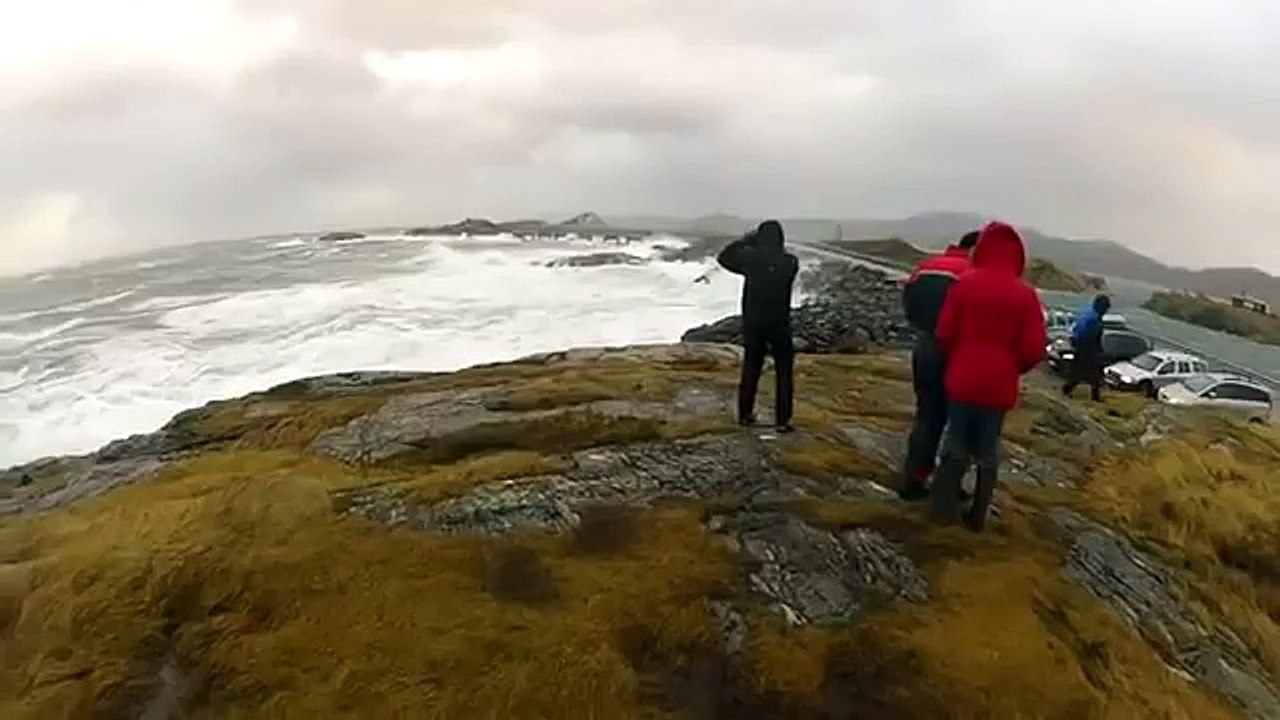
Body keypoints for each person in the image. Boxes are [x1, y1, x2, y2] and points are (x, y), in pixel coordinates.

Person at [930, 221, 1047, 532]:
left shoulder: (964, 284)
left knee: (954, 442)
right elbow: (1034, 349)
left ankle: (941, 510)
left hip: (963, 378)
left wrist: (958, 358)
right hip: (998, 385)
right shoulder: (1026, 296)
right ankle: (977, 517)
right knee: (987, 450)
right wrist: (1012, 368)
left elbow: (943, 333)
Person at [897, 230, 979, 501]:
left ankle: (914, 478)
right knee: (959, 422)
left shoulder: (926, 266)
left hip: (925, 346)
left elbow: (907, 301)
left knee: (927, 417)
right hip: (958, 351)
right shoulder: (972, 273)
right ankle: (948, 485)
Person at [717, 220, 800, 432]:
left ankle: (745, 415)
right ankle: (783, 420)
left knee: (751, 368)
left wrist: (748, 240)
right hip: (779, 322)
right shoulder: (790, 262)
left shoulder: (752, 260)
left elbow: (724, 257)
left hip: (754, 322)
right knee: (784, 372)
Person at [1062, 294, 1112, 402]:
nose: (1106, 311)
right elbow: (1091, 337)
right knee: (1093, 373)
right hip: (1087, 348)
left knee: (1080, 371)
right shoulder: (1094, 319)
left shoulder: (1087, 313)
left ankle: (1068, 389)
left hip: (1079, 345)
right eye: (1106, 308)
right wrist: (1097, 350)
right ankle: (1094, 397)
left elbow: (1076, 328)